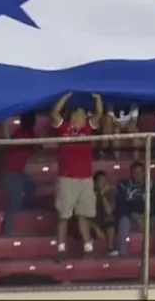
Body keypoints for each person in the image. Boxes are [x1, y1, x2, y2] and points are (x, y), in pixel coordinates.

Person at [50, 92, 103, 260]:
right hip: (67, 179)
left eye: (83, 114)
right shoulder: (64, 129)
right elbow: (54, 113)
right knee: (63, 216)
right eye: (79, 114)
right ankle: (60, 249)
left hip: (85, 179)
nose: (82, 117)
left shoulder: (88, 130)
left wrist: (98, 99)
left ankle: (88, 248)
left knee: (83, 215)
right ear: (72, 117)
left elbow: (98, 113)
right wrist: (65, 97)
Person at [115, 162, 155, 257]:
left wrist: (145, 216)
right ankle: (123, 254)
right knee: (123, 221)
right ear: (131, 173)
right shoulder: (123, 185)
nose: (138, 175)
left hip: (147, 218)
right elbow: (120, 205)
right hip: (131, 219)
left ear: (144, 173)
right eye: (135, 172)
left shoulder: (150, 185)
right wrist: (134, 215)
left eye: (140, 172)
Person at [0, 112, 38, 237]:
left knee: (32, 184)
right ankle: (6, 231)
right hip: (10, 173)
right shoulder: (20, 133)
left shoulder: (30, 133)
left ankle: (24, 209)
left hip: (19, 171)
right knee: (15, 201)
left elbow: (38, 146)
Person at [92, 171, 117, 257]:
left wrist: (102, 195)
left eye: (105, 181)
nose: (103, 183)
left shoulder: (110, 194)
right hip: (90, 224)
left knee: (109, 217)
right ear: (95, 184)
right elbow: (84, 217)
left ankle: (110, 248)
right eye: (101, 181)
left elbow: (109, 210)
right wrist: (96, 228)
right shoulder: (89, 195)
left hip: (103, 222)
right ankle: (87, 250)